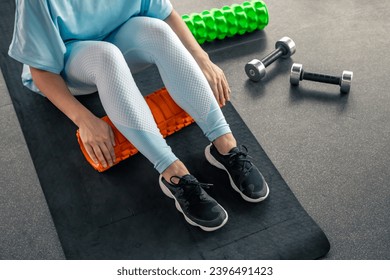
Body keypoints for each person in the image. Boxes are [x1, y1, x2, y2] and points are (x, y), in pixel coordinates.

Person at [9, 0, 269, 231]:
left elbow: (166, 14)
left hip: (121, 38)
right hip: (71, 65)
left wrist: (201, 58)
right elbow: (41, 71)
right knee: (106, 56)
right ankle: (173, 174)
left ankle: (225, 147)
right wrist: (83, 118)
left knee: (157, 30)